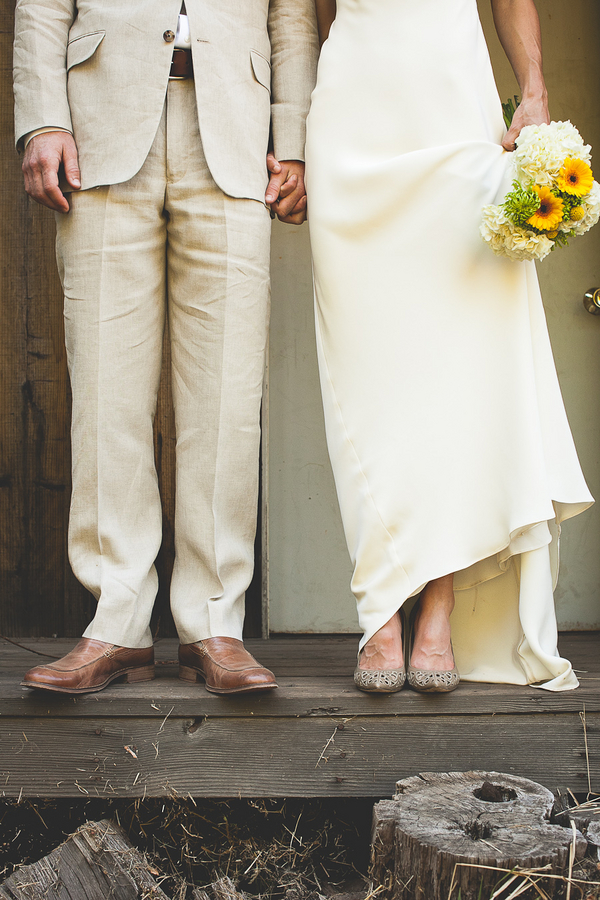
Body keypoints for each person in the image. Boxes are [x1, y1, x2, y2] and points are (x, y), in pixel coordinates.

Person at [13, 0, 318, 695]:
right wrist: (43, 118)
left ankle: (214, 621)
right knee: (105, 387)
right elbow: (40, 7)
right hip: (98, 127)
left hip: (237, 137)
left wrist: (294, 138)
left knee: (227, 395)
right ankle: (117, 621)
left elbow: (292, 17)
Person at [306, 0, 593, 693]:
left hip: (453, 105)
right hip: (353, 116)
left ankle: (438, 606)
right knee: (366, 371)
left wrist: (534, 91)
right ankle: (379, 606)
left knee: (454, 370)